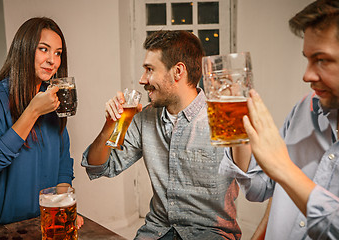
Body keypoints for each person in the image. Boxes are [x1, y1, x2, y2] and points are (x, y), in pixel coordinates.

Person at [82, 30, 241, 239]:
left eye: (149, 69)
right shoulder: (144, 118)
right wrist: (109, 126)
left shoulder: (222, 116)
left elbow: (253, 177)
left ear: (178, 71)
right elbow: (100, 167)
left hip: (210, 234)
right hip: (157, 232)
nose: (142, 79)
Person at [219, 0, 339, 239]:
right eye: (307, 58)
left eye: (322, 60)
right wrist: (241, 131)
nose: (307, 75)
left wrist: (283, 168)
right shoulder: (305, 109)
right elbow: (260, 187)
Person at [0, 17, 82, 229]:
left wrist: (63, 209)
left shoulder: (55, 102)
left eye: (58, 53)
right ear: (24, 50)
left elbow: (63, 166)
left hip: (42, 225)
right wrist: (33, 111)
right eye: (44, 49)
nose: (52, 60)